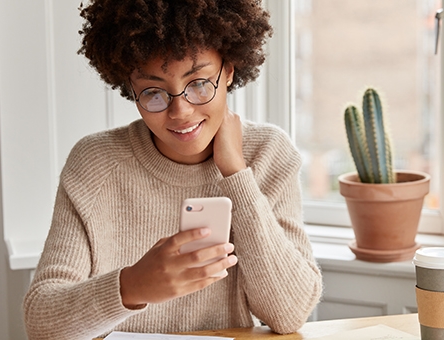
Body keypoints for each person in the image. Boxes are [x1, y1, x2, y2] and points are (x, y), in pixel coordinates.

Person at [23, 1, 323, 339]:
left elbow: (291, 313)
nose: (179, 111)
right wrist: (132, 286)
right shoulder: (96, 162)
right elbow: (41, 322)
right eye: (153, 92)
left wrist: (236, 174)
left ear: (228, 71)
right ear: (129, 88)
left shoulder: (268, 153)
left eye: (198, 83)